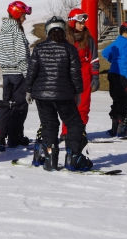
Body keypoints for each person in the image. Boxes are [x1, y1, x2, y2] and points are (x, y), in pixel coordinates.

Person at [25, 16, 92, 171]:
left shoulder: (39, 48)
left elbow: (31, 72)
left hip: (41, 95)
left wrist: (28, 90)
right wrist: (78, 92)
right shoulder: (69, 48)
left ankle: (49, 158)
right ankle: (72, 157)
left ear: (48, 30)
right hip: (65, 95)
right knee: (74, 123)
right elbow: (76, 74)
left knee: (49, 125)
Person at [0, 1, 31, 148]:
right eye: (23, 15)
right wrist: (28, 75)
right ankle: (14, 137)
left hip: (6, 75)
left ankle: (1, 136)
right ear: (17, 15)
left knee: (6, 105)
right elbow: (22, 56)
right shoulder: (16, 31)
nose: (25, 19)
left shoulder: (3, 31)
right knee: (20, 105)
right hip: (18, 73)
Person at [60, 8, 100, 138]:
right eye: (80, 22)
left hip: (84, 75)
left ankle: (79, 131)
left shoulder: (88, 39)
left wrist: (95, 76)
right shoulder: (64, 39)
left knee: (83, 104)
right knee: (67, 104)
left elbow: (94, 58)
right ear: (72, 23)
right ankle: (66, 132)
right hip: (68, 75)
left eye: (83, 23)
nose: (83, 25)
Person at [102, 21, 127, 137]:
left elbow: (104, 52)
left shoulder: (117, 41)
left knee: (116, 101)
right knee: (124, 101)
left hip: (112, 74)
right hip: (123, 76)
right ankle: (121, 128)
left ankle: (114, 128)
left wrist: (114, 62)